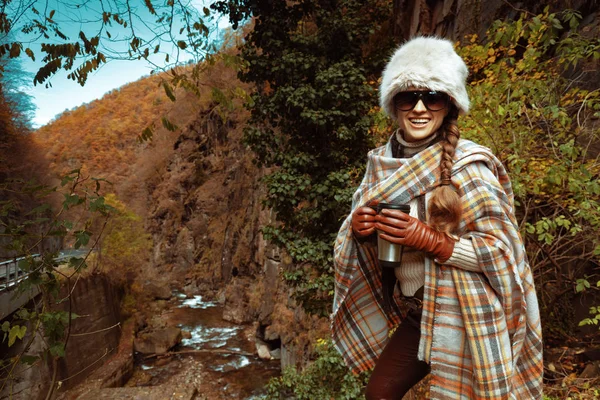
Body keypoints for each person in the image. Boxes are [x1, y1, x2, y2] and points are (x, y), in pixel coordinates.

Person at [331, 36, 543, 399]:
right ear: (393, 105)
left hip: (466, 308)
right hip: (414, 309)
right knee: (378, 394)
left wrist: (431, 241)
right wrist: (359, 232)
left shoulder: (471, 166)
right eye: (406, 97)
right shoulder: (381, 164)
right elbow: (356, 245)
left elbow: (503, 254)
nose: (418, 108)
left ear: (449, 105)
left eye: (432, 97)